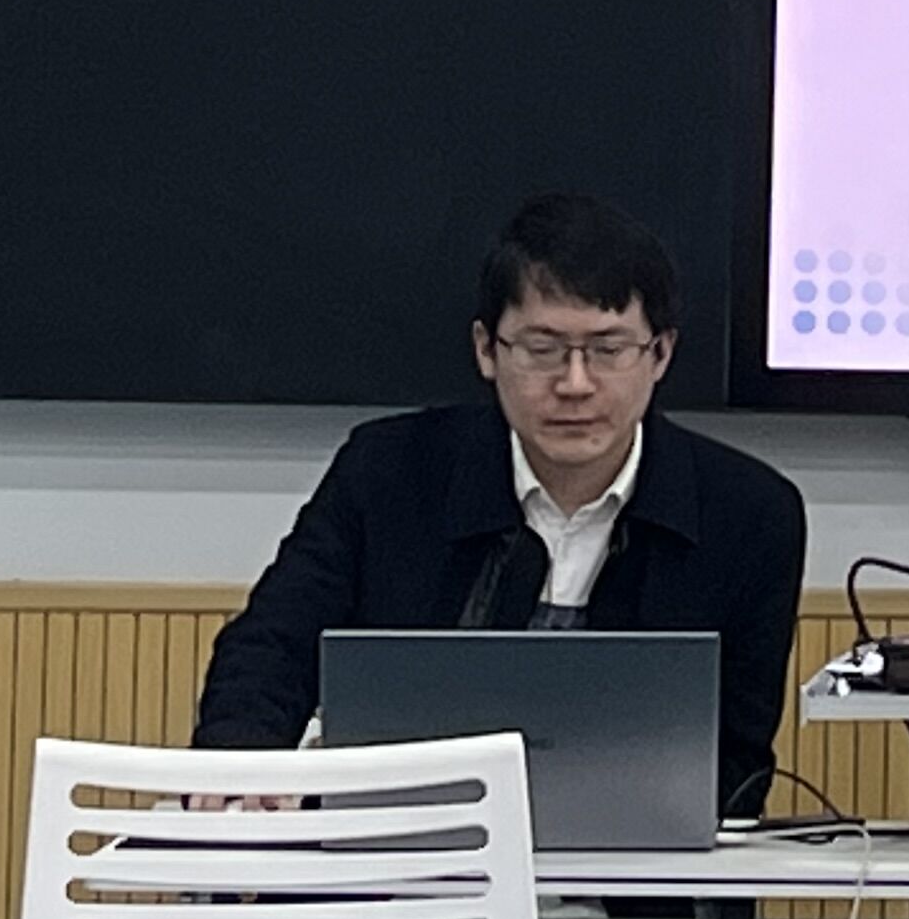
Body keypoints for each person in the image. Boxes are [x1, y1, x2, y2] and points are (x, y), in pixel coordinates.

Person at [193, 193, 809, 818]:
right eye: (542, 349)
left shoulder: (750, 516)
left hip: (637, 863)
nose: (575, 384)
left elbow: (734, 763)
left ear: (661, 354)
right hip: (404, 850)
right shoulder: (388, 472)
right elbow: (273, 645)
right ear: (487, 350)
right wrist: (243, 757)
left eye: (608, 350)